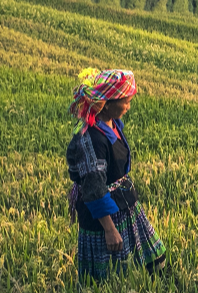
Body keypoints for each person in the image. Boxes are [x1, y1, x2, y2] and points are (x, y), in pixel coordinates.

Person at [65, 68, 166, 283]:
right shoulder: (91, 138)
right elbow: (94, 187)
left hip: (125, 204)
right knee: (106, 278)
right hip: (104, 216)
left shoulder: (113, 124)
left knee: (155, 260)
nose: (129, 106)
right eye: (126, 101)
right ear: (107, 104)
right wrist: (109, 230)